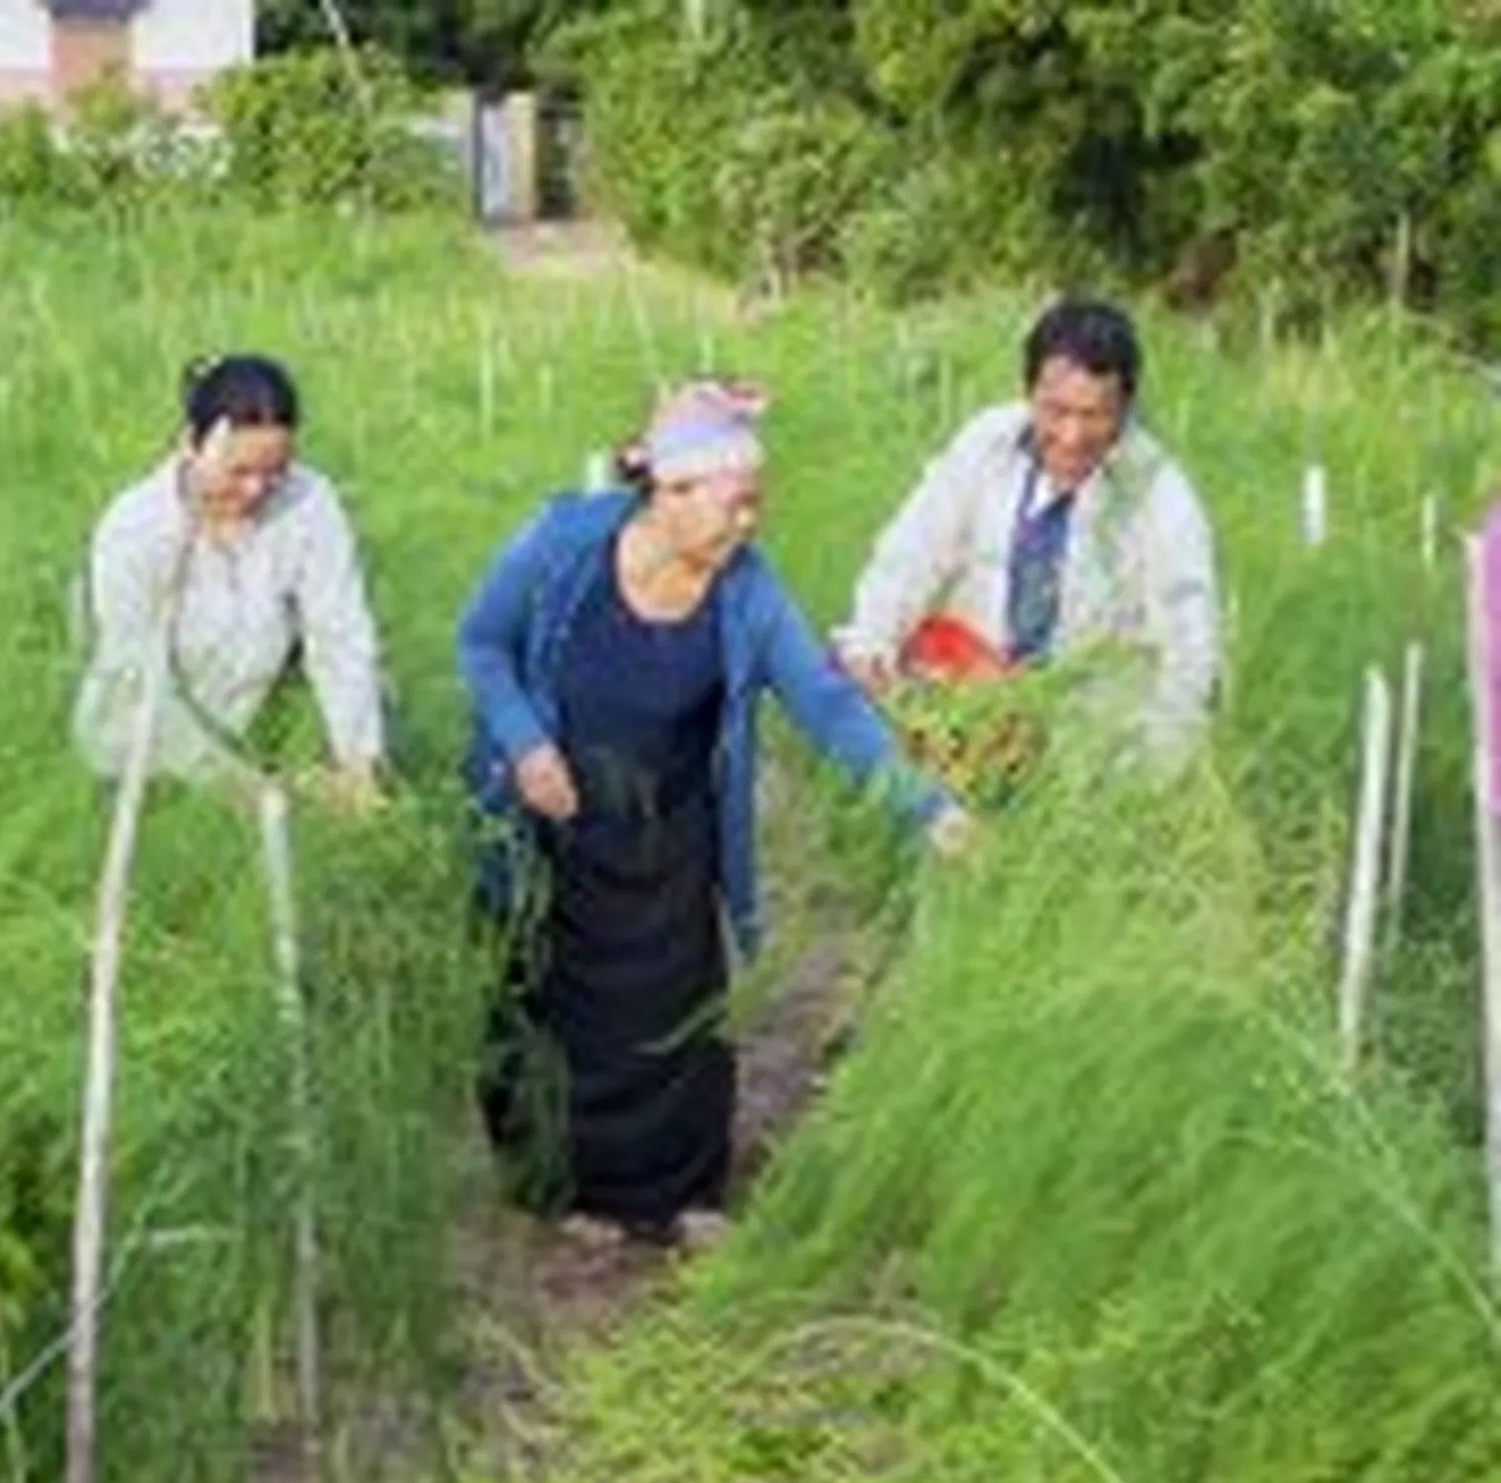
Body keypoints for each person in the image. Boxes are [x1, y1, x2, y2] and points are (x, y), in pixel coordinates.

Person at [457, 380, 970, 1247]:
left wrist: (927, 807)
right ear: (673, 491)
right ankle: (570, 1190)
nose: (748, 525)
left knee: (677, 1017)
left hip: (672, 834)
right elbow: (482, 642)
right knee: (555, 1009)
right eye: (736, 505)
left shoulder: (747, 591)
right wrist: (525, 742)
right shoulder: (563, 544)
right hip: (554, 823)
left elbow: (829, 707)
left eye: (756, 506)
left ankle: (681, 1193)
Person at [832, 297, 1220, 771]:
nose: (1072, 437)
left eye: (1095, 415)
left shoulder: (1161, 495)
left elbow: (1191, 654)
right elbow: (913, 551)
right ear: (1029, 392)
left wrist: (1156, 770)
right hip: (972, 700)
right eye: (1056, 411)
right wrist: (873, 641)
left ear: (1126, 406)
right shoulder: (987, 443)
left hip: (1092, 741)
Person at [71, 354, 387, 808]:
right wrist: (238, 785)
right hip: (148, 759)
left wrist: (357, 760)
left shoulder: (309, 503)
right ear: (191, 445)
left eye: (274, 472)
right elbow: (139, 683)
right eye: (238, 472)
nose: (257, 490)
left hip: (257, 740)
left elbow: (339, 634)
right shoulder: (135, 531)